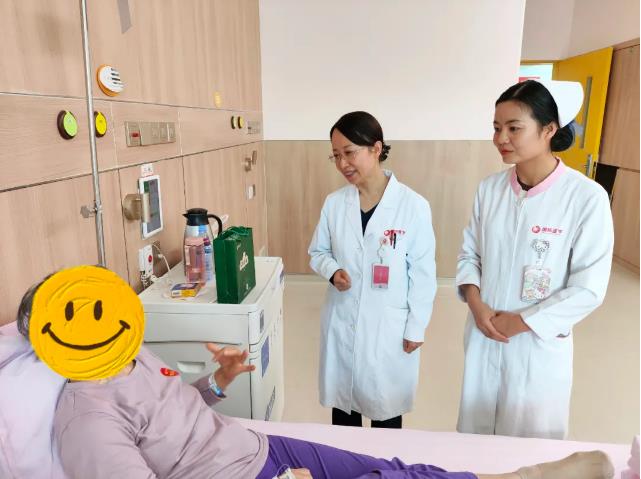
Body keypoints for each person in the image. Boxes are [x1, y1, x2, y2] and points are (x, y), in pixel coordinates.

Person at [15, 278, 615, 479]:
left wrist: (217, 382)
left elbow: (172, 407)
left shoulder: (131, 354)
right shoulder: (87, 418)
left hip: (257, 446)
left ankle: (504, 477)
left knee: (390, 467)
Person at [456, 80, 614, 439]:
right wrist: (476, 305)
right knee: (476, 443)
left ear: (548, 130)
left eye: (514, 128)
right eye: (497, 127)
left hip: (537, 345)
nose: (501, 138)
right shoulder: (490, 189)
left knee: (530, 447)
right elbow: (470, 254)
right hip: (485, 333)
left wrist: (523, 322)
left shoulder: (585, 198)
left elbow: (588, 288)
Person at [308, 111, 437, 429]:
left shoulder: (413, 206)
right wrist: (332, 270)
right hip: (343, 317)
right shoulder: (334, 203)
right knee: (344, 411)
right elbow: (317, 252)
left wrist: (416, 327)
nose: (342, 164)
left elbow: (422, 274)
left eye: (349, 152)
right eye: (336, 155)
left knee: (385, 409)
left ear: (376, 148)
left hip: (388, 325)